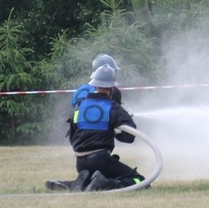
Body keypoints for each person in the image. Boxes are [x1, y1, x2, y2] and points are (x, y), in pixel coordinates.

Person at [46, 64, 145, 192]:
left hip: (80, 163)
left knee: (93, 178)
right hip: (101, 160)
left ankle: (76, 183)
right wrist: (115, 133)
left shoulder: (80, 107)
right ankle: (105, 184)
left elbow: (72, 137)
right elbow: (130, 137)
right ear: (111, 88)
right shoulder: (113, 107)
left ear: (95, 85)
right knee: (139, 181)